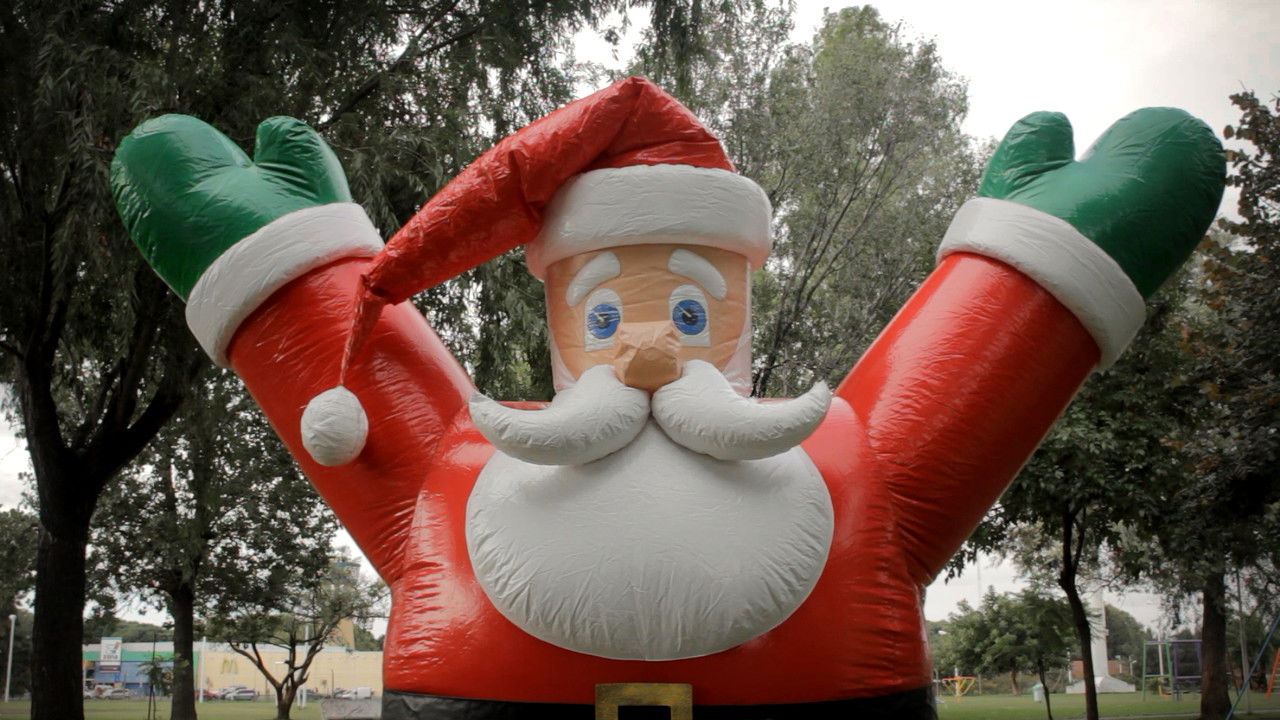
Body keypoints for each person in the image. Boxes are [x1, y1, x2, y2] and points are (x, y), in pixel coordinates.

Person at [112, 77, 1224, 719]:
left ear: (736, 300)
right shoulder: (464, 469)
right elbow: (350, 382)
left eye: (689, 313)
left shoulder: (850, 468)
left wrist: (1038, 262)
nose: (644, 342)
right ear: (558, 314)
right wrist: (285, 263)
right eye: (604, 316)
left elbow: (970, 378)